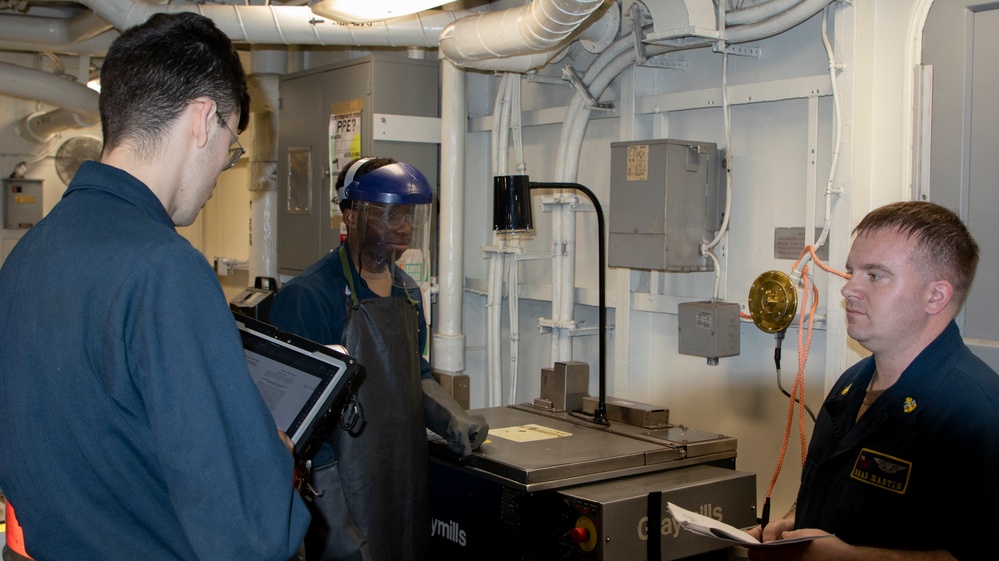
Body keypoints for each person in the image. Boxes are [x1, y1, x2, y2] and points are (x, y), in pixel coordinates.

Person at [0, 12, 310, 561]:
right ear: (203, 119)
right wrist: (270, 458)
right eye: (231, 147)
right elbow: (247, 531)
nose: (222, 171)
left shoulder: (28, 254)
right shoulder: (165, 270)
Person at [748, 201, 999, 561]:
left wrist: (846, 558)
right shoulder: (851, 385)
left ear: (935, 296)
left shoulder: (977, 416)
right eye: (852, 272)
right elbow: (831, 492)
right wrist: (792, 524)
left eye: (875, 275)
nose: (848, 289)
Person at [268, 157, 488, 561]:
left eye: (407, 215)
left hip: (401, 479)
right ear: (350, 215)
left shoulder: (407, 292)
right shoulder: (310, 297)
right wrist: (334, 522)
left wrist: (451, 416)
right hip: (339, 486)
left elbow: (416, 375)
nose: (403, 227)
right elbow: (293, 424)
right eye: (389, 214)